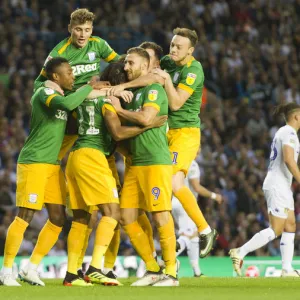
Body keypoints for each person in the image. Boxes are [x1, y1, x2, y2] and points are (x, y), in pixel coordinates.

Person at [109, 28, 218, 258]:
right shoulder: (168, 61)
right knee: (160, 194)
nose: (174, 50)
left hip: (185, 133)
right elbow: (150, 76)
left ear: (191, 50)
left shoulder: (193, 70)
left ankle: (205, 230)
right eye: (172, 45)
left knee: (174, 182)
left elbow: (177, 103)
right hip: (166, 133)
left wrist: (166, 79)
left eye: (179, 47)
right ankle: (166, 256)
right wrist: (123, 87)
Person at [64, 60, 167, 287]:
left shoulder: (83, 97)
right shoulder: (108, 100)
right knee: (112, 212)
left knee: (81, 218)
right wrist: (149, 125)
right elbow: (118, 133)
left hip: (74, 157)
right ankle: (96, 267)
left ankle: (72, 274)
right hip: (93, 157)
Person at [0, 57, 98, 286]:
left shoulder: (64, 96)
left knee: (58, 218)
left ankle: (30, 268)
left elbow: (74, 103)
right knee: (25, 215)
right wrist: (88, 86)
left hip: (52, 165)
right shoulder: (44, 93)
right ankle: (5, 271)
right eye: (69, 73)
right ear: (56, 77)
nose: (73, 76)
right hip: (33, 162)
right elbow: (66, 105)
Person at [110, 47, 178, 287]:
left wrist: (118, 110)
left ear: (143, 66)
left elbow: (147, 118)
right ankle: (152, 267)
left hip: (155, 162)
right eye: (125, 63)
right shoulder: (136, 92)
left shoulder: (153, 89)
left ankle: (171, 272)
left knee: (160, 216)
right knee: (126, 217)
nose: (125, 67)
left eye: (130, 63)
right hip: (135, 163)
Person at [229, 103, 300, 277]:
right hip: (278, 185)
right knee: (276, 229)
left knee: (290, 225)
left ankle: (286, 269)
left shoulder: (285, 132)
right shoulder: (288, 133)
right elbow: (289, 160)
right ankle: (240, 252)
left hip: (282, 184)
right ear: (296, 117)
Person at [173, 156, 223, 277]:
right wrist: (214, 196)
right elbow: (196, 187)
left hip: (174, 201)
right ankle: (166, 261)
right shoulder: (191, 163)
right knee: (187, 236)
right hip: (185, 203)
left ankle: (197, 272)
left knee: (194, 236)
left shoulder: (175, 159)